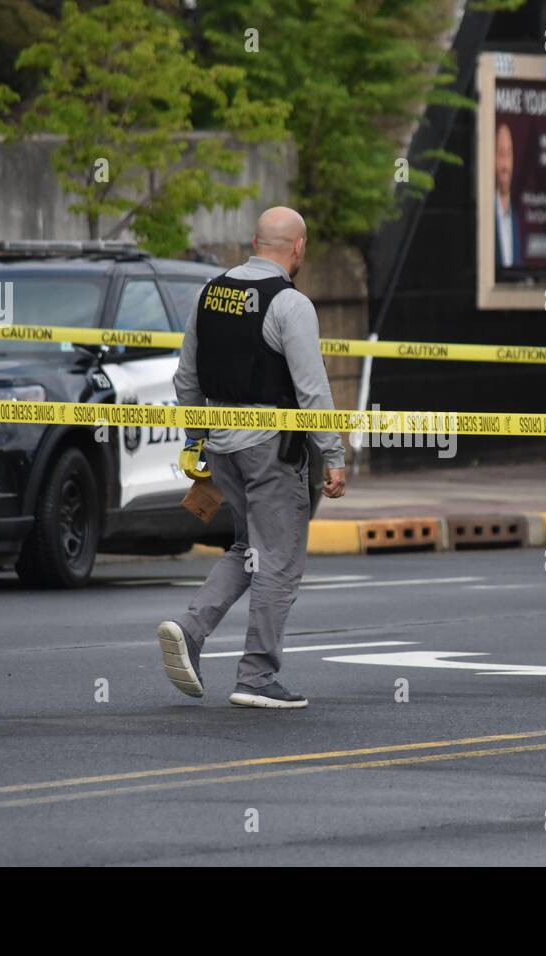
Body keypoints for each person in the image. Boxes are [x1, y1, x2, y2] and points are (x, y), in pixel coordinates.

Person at [158, 206, 347, 710]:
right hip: (271, 449)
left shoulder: (210, 291)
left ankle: (190, 628)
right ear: (298, 247)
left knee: (250, 548)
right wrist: (334, 455)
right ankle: (257, 676)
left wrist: (197, 439)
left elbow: (186, 379)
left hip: (222, 446)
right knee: (279, 561)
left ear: (255, 240)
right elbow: (312, 392)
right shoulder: (290, 304)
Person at [494, 122, 521, 268]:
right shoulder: (485, 215)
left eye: (509, 154)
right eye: (500, 154)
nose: (505, 165)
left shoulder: (516, 218)